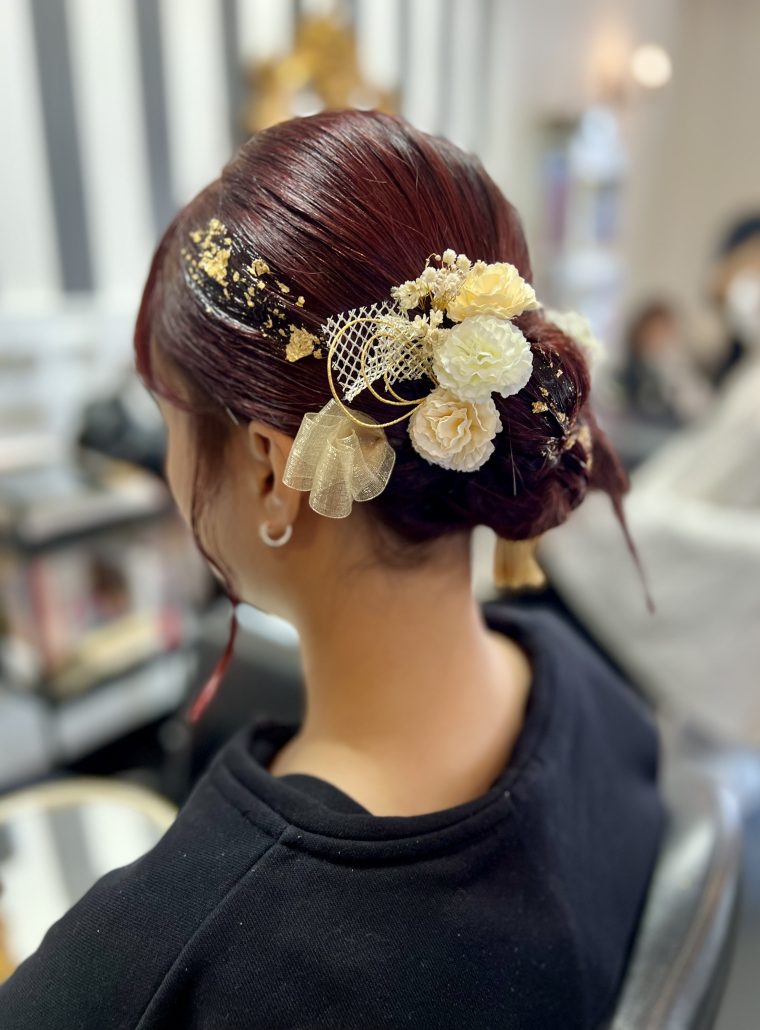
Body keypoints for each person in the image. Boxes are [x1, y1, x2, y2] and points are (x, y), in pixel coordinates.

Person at [0, 110, 663, 1029]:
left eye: (169, 421)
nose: (166, 469)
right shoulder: (602, 699)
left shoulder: (165, 964)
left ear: (275, 472)